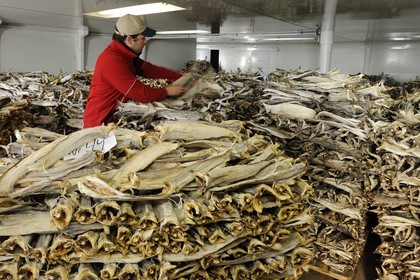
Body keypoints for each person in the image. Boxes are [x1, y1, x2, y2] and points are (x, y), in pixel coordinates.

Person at [83, 14, 185, 128]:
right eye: (143, 38)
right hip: (99, 123)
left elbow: (151, 70)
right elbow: (141, 94)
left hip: (113, 118)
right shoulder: (112, 62)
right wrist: (166, 91)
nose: (145, 41)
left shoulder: (124, 55)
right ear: (130, 40)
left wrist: (181, 77)